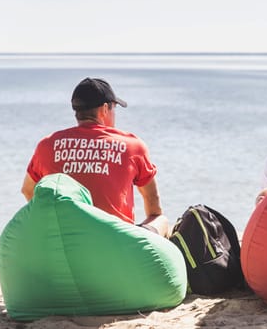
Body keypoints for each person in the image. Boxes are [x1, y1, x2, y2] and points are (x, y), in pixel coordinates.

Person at [21, 77, 168, 236]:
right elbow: (153, 202)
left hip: (65, 238)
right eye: (114, 108)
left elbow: (28, 190)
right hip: (116, 242)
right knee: (161, 220)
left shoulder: (47, 145)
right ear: (105, 109)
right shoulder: (132, 145)